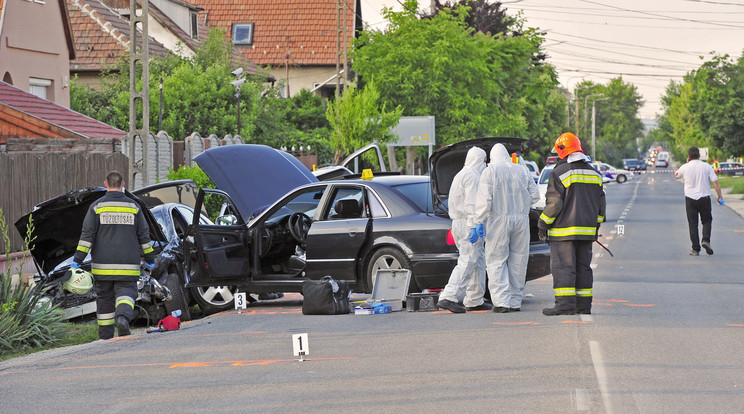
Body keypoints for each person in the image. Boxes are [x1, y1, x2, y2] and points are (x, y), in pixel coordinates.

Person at [72, 171, 155, 339]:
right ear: (123, 185)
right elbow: (144, 237)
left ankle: (106, 336)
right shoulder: (133, 207)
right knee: (127, 293)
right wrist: (150, 259)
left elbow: (87, 236)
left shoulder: (97, 207)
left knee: (104, 299)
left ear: (105, 184)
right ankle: (123, 317)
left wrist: (77, 260)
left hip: (102, 267)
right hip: (128, 265)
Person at [538, 133, 605, 316]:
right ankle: (583, 307)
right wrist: (595, 227)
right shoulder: (595, 173)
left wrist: (543, 223)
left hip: (563, 232)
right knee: (583, 268)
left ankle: (565, 306)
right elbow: (601, 206)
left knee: (564, 268)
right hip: (587, 233)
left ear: (562, 151)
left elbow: (554, 204)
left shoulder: (559, 173)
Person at [473, 143, 539, 313]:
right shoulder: (522, 170)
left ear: (493, 157)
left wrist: (478, 221)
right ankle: (515, 301)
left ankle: (502, 302)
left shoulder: (490, 171)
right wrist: (520, 205)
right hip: (521, 221)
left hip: (498, 220)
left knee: (496, 260)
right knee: (519, 260)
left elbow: (484, 199)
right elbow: (535, 195)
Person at [437, 146, 491, 313]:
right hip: (467, 223)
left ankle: (474, 299)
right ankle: (448, 296)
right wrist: (475, 225)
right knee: (468, 260)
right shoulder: (471, 176)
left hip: (462, 223)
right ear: (477, 160)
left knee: (477, 261)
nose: (485, 164)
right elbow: (471, 203)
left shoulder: (462, 174)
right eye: (483, 161)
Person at [674, 146, 723, 256]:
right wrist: (720, 196)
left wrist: (687, 163)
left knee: (693, 224)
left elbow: (676, 175)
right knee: (706, 221)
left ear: (689, 156)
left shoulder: (685, 167)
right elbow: (715, 182)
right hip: (704, 198)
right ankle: (706, 240)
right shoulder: (706, 166)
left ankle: (695, 249)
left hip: (690, 199)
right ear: (699, 155)